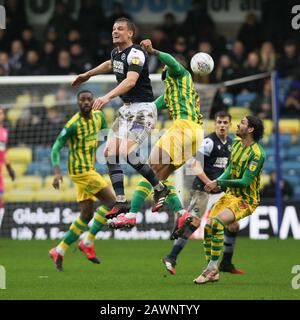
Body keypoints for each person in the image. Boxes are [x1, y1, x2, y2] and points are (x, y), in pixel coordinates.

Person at [72, 18, 170, 218]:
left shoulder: (136, 54)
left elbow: (131, 81)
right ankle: (121, 201)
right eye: (113, 29)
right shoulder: (116, 53)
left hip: (142, 112)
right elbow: (111, 64)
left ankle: (159, 187)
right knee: (109, 152)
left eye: (120, 29)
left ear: (130, 33)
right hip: (126, 112)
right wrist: (88, 74)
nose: (115, 32)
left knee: (125, 151)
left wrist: (107, 96)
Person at [108, 39, 203, 233]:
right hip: (195, 134)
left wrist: (154, 51)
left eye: (164, 66)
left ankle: (132, 215)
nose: (163, 68)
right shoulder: (172, 92)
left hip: (183, 127)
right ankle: (182, 214)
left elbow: (174, 63)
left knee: (149, 168)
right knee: (158, 176)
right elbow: (150, 108)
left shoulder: (181, 74)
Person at [163, 111, 244, 275]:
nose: (222, 125)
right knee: (194, 223)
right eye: (219, 122)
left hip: (220, 191)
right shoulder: (208, 142)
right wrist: (208, 182)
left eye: (225, 122)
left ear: (229, 125)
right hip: (202, 189)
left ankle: (226, 263)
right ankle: (171, 257)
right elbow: (195, 165)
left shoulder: (231, 143)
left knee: (234, 225)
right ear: (215, 124)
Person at [49, 90, 116, 272]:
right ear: (78, 103)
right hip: (80, 172)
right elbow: (55, 148)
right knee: (113, 202)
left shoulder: (99, 117)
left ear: (93, 101)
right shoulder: (73, 124)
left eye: (89, 99)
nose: (86, 102)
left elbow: (106, 135)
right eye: (82, 100)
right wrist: (56, 172)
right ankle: (87, 241)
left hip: (90, 169)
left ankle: (59, 249)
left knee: (86, 215)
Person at [193, 115, 265, 284]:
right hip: (230, 196)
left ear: (250, 129)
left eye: (242, 123)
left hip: (246, 199)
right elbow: (230, 170)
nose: (238, 125)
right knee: (209, 226)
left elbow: (245, 182)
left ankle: (211, 269)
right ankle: (213, 269)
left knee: (217, 222)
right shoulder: (237, 145)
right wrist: (216, 183)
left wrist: (219, 182)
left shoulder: (257, 154)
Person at [0, 107, 15, 228]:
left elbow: (3, 152)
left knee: (0, 202)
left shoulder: (4, 132)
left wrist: (9, 168)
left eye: (1, 113)